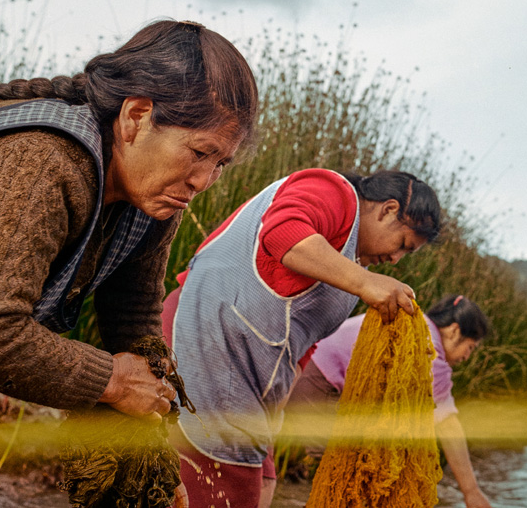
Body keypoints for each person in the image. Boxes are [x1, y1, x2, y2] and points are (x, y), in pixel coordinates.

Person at [0, 19, 257, 508]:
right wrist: (112, 380)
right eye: (201, 152)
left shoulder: (154, 197)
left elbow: (133, 321)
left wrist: (154, 468)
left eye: (220, 163)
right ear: (137, 116)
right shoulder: (40, 161)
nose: (204, 180)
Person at [160, 168, 444, 507]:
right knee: (219, 483)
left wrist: (281, 401)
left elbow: (304, 340)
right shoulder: (333, 192)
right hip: (200, 339)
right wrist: (365, 283)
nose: (395, 260)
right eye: (403, 245)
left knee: (263, 482)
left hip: (252, 380)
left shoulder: (353, 274)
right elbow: (282, 233)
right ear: (388, 209)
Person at [283, 293, 493, 508]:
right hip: (318, 379)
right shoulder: (426, 346)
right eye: (470, 347)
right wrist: (471, 492)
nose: (467, 356)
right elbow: (448, 425)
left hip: (307, 371)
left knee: (362, 477)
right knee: (351, 477)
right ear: (455, 330)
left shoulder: (417, 326)